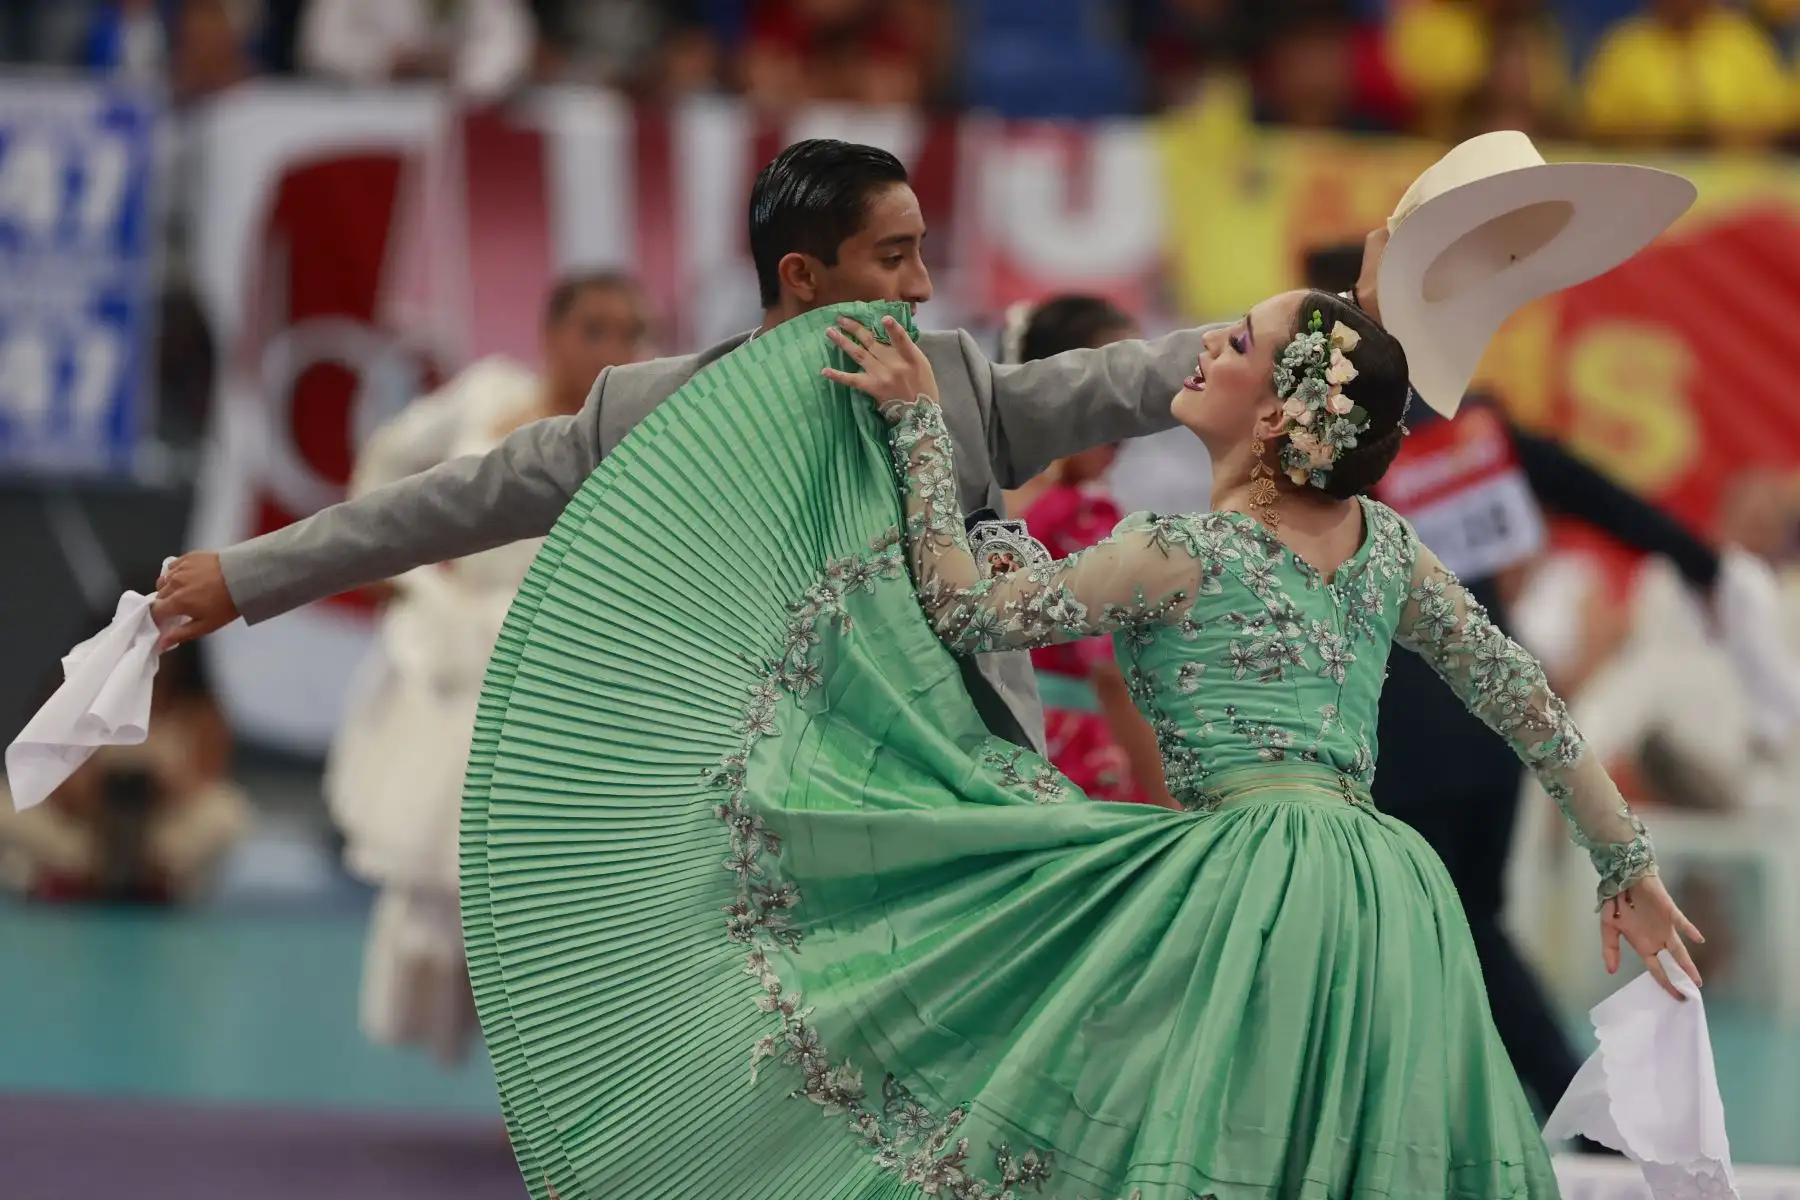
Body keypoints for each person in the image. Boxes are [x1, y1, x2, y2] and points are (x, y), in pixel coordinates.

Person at [818, 295, 1698, 1193]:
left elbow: (962, 610)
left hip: (1238, 889)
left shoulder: (1170, 551)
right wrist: (1625, 863)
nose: (1203, 343)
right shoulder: (1386, 547)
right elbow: (1525, 701)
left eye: (1237, 340)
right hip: (1384, 899)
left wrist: (923, 426)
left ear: (1277, 414)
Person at [155, 139, 1380, 762]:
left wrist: (1327, 329)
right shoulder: (647, 413)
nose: (926, 282)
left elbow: (1129, 374)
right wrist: (249, 574)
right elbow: (447, 505)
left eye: (921, 252)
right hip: (747, 778)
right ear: (804, 277)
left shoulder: (953, 382)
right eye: (893, 258)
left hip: (946, 770)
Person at [1306, 240, 1792, 1133]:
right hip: (1489, 720)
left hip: (1397, 723)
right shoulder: (1475, 433)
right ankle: (1485, 1118)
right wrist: (1709, 569)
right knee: (1457, 925)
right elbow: (1616, 505)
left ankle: (1580, 1114)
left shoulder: (1324, 447)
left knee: (1442, 931)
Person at [324, 272, 652, 1065]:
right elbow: (387, 463)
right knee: (450, 883)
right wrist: (402, 569)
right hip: (455, 662)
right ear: (551, 334)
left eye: (631, 332)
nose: (612, 349)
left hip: (567, 677)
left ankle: (552, 1076)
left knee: (556, 897)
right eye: (594, 329)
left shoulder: (646, 433)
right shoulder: (487, 395)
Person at [1000, 296, 1176, 808]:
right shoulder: (1080, 514)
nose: (1130, 409)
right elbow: (1112, 675)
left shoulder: (971, 502)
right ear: (1056, 383)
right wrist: (1173, 809)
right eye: (1113, 381)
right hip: (1074, 770)